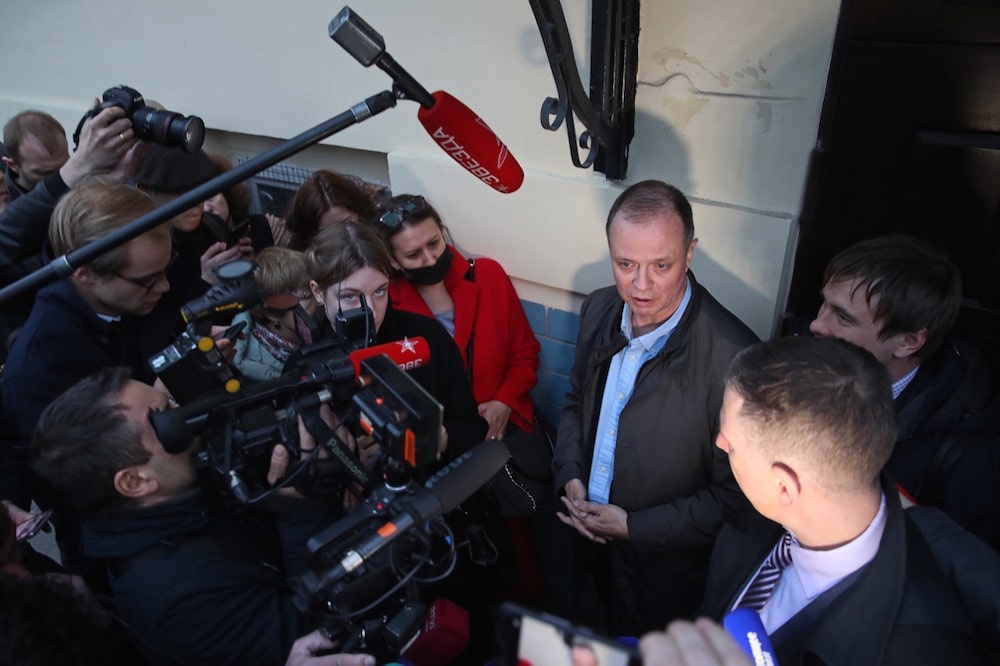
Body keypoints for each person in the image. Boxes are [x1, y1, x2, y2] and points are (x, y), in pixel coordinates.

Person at [30, 366, 366, 665]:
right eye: (166, 419)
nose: (185, 416)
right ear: (136, 482)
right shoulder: (176, 604)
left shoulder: (183, 484)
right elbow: (323, 632)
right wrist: (304, 503)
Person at [702, 336, 991, 665]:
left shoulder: (913, 648)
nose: (720, 444)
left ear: (785, 486)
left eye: (733, 444)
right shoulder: (759, 517)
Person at [552, 180, 757, 635]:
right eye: (625, 264)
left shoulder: (736, 359)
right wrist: (569, 472)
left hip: (662, 582)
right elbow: (573, 402)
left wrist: (635, 528)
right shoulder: (601, 307)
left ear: (690, 253)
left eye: (661, 265)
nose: (640, 285)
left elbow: (736, 501)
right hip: (585, 552)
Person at [1, 180, 177, 571]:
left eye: (167, 269)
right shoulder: (39, 371)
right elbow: (76, 491)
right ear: (85, 274)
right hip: (121, 552)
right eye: (149, 279)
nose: (164, 286)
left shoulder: (129, 295)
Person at [808, 235, 1000, 548]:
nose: (817, 324)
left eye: (843, 317)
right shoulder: (809, 357)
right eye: (825, 303)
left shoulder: (966, 455)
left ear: (908, 342)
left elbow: (957, 568)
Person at [304, 220, 486, 458]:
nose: (370, 309)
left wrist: (440, 439)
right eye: (350, 297)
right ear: (318, 292)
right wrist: (345, 462)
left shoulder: (427, 338)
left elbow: (473, 428)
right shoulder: (306, 368)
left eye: (380, 291)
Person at [131, 144, 253, 304]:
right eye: (181, 192)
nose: (196, 201)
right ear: (145, 191)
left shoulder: (213, 226)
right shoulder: (137, 252)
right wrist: (205, 282)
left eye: (200, 188)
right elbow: (152, 323)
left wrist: (243, 266)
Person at [231, 246, 318, 381]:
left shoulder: (321, 330)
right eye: (306, 295)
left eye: (317, 289)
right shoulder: (249, 374)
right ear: (272, 312)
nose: (320, 300)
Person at [284, 169, 377, 251]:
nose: (340, 236)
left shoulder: (381, 234)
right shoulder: (302, 265)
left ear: (357, 212)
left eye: (345, 223)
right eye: (328, 232)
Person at [203, 152, 275, 254]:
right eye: (197, 203)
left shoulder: (258, 226)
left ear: (227, 194)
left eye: (211, 197)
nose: (206, 208)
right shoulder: (197, 247)